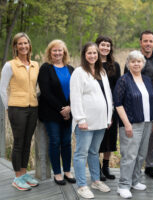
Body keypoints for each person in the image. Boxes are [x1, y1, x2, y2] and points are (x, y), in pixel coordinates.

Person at [70, 42, 112, 199]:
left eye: (95, 53)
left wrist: (108, 117)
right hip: (85, 122)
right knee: (81, 153)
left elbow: (108, 95)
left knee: (94, 152)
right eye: (89, 53)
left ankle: (95, 180)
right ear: (84, 55)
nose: (93, 55)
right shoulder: (79, 73)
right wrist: (80, 119)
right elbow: (75, 98)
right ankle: (82, 185)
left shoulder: (102, 71)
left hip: (101, 121)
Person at [114, 50, 153, 199]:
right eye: (133, 61)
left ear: (143, 64)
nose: (136, 64)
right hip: (131, 123)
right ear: (128, 64)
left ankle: (134, 181)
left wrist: (152, 121)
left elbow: (151, 101)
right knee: (129, 155)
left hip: (146, 122)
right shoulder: (123, 80)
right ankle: (123, 185)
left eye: (139, 61)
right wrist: (126, 124)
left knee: (141, 154)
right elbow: (118, 104)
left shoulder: (146, 80)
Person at [0, 32, 39, 191]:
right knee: (18, 143)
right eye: (19, 44)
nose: (23, 46)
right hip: (17, 108)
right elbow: (2, 89)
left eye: (25, 43)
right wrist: (9, 108)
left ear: (29, 45)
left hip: (33, 107)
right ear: (15, 47)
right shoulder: (10, 65)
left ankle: (24, 173)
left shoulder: (35, 64)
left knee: (27, 142)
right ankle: (17, 177)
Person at [125, 30, 153, 179]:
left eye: (151, 41)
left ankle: (149, 166)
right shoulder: (133, 59)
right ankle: (134, 170)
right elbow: (126, 82)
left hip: (152, 108)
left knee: (150, 139)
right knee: (134, 141)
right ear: (140, 42)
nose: (148, 43)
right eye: (145, 41)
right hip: (135, 107)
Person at [38, 39, 76, 185]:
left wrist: (70, 108)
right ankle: (57, 173)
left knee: (66, 142)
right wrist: (62, 109)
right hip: (51, 112)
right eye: (54, 50)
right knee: (55, 142)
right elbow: (46, 92)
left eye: (60, 50)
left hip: (69, 112)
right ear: (50, 52)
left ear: (64, 52)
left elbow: (76, 91)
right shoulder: (45, 68)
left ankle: (67, 170)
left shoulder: (71, 69)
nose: (57, 53)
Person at [95, 36, 121, 181]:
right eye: (102, 45)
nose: (105, 48)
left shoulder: (115, 65)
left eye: (108, 45)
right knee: (98, 139)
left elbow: (118, 87)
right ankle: (97, 168)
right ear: (97, 46)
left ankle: (106, 166)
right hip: (97, 107)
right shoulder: (92, 64)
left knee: (110, 139)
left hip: (111, 107)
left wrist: (114, 108)